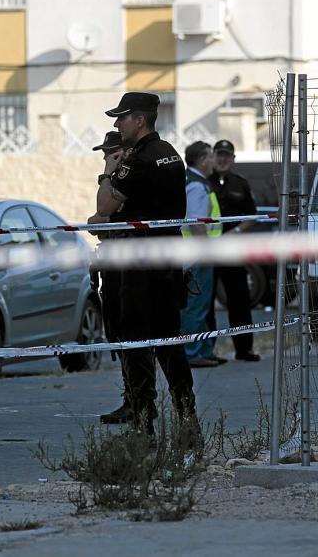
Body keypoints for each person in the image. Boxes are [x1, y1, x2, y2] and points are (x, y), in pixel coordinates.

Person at [95, 91, 198, 436]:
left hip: (139, 264)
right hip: (168, 260)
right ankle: (188, 420)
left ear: (140, 120)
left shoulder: (137, 159)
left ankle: (143, 425)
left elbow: (106, 209)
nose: (116, 123)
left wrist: (108, 171)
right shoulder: (169, 153)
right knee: (170, 343)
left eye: (122, 117)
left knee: (137, 343)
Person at [86, 130, 132, 424]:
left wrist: (101, 220)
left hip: (126, 268)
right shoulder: (111, 181)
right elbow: (94, 223)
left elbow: (101, 218)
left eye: (109, 152)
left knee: (131, 335)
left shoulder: (124, 178)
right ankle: (131, 397)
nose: (105, 157)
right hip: (111, 266)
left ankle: (137, 400)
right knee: (117, 332)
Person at [209, 138, 262, 362]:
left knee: (239, 301)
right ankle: (206, 351)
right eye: (219, 155)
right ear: (213, 157)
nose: (222, 159)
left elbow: (251, 216)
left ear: (233, 159)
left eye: (226, 155)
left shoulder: (240, 183)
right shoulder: (203, 181)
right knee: (205, 302)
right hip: (208, 250)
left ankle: (244, 348)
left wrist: (235, 234)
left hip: (232, 249)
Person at [181, 141, 224, 368]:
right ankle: (192, 352)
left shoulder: (193, 182)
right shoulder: (196, 186)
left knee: (200, 307)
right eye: (210, 157)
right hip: (197, 256)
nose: (213, 162)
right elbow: (198, 225)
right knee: (196, 307)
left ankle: (201, 350)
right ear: (201, 160)